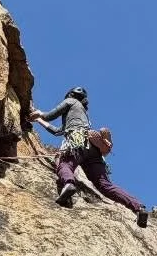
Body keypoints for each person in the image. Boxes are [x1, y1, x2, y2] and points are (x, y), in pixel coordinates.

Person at [30, 87, 149, 228]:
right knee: (105, 185)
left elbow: (50, 115)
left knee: (65, 164)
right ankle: (138, 207)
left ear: (71, 94)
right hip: (93, 149)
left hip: (77, 141)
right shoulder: (82, 113)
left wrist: (39, 113)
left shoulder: (70, 101)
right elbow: (57, 131)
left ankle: (68, 184)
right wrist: (38, 120)